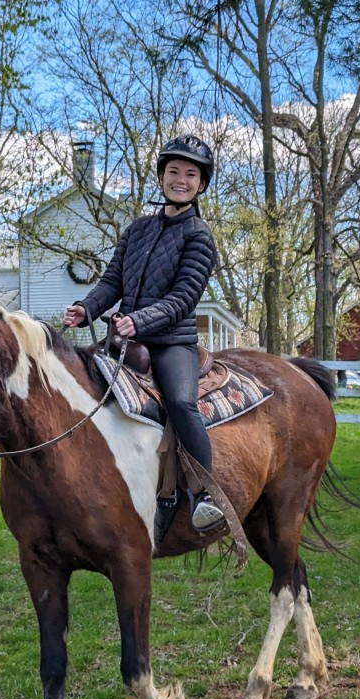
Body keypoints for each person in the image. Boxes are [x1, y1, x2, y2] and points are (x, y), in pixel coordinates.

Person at [63, 134, 225, 532]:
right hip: (124, 336)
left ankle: (204, 495)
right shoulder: (137, 230)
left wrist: (141, 321)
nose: (180, 180)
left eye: (190, 174)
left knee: (182, 404)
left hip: (172, 342)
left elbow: (183, 298)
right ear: (161, 177)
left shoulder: (199, 237)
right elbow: (111, 282)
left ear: (201, 185)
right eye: (173, 172)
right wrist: (87, 309)